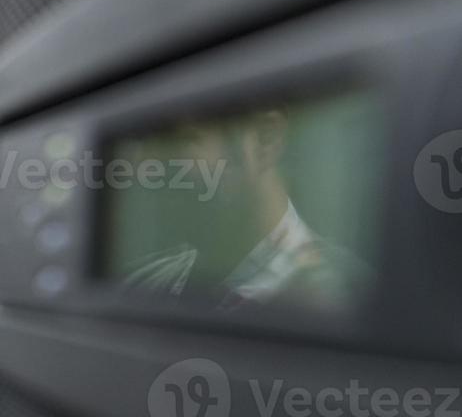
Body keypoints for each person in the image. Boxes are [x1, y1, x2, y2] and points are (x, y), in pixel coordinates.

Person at [118, 107, 370, 312]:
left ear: (265, 139)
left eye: (180, 140)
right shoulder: (143, 286)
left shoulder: (347, 299)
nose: (148, 172)